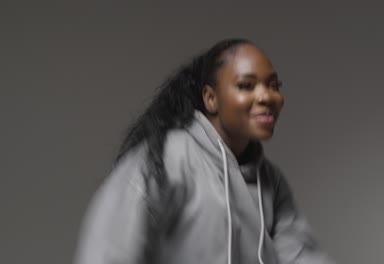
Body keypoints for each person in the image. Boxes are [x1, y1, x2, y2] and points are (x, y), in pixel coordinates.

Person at [74, 38, 333, 264]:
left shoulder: (271, 182)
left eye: (274, 85)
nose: (266, 96)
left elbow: (301, 257)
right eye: (247, 85)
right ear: (211, 98)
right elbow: (108, 251)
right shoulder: (170, 156)